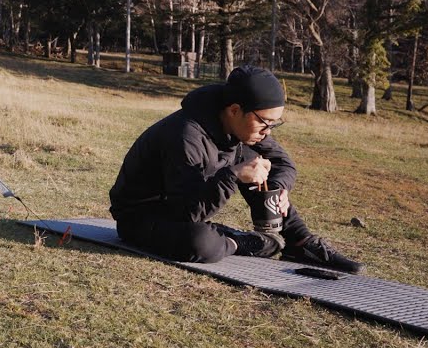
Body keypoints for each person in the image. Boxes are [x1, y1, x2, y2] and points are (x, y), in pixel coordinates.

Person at [108, 65, 361, 273]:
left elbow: (283, 164)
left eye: (275, 124)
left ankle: (300, 241)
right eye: (265, 122)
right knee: (201, 243)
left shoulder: (242, 128)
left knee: (256, 161)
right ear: (234, 110)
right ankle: (239, 241)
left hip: (184, 212)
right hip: (142, 219)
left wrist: (281, 188)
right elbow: (185, 211)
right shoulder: (185, 135)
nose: (268, 131)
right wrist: (233, 174)